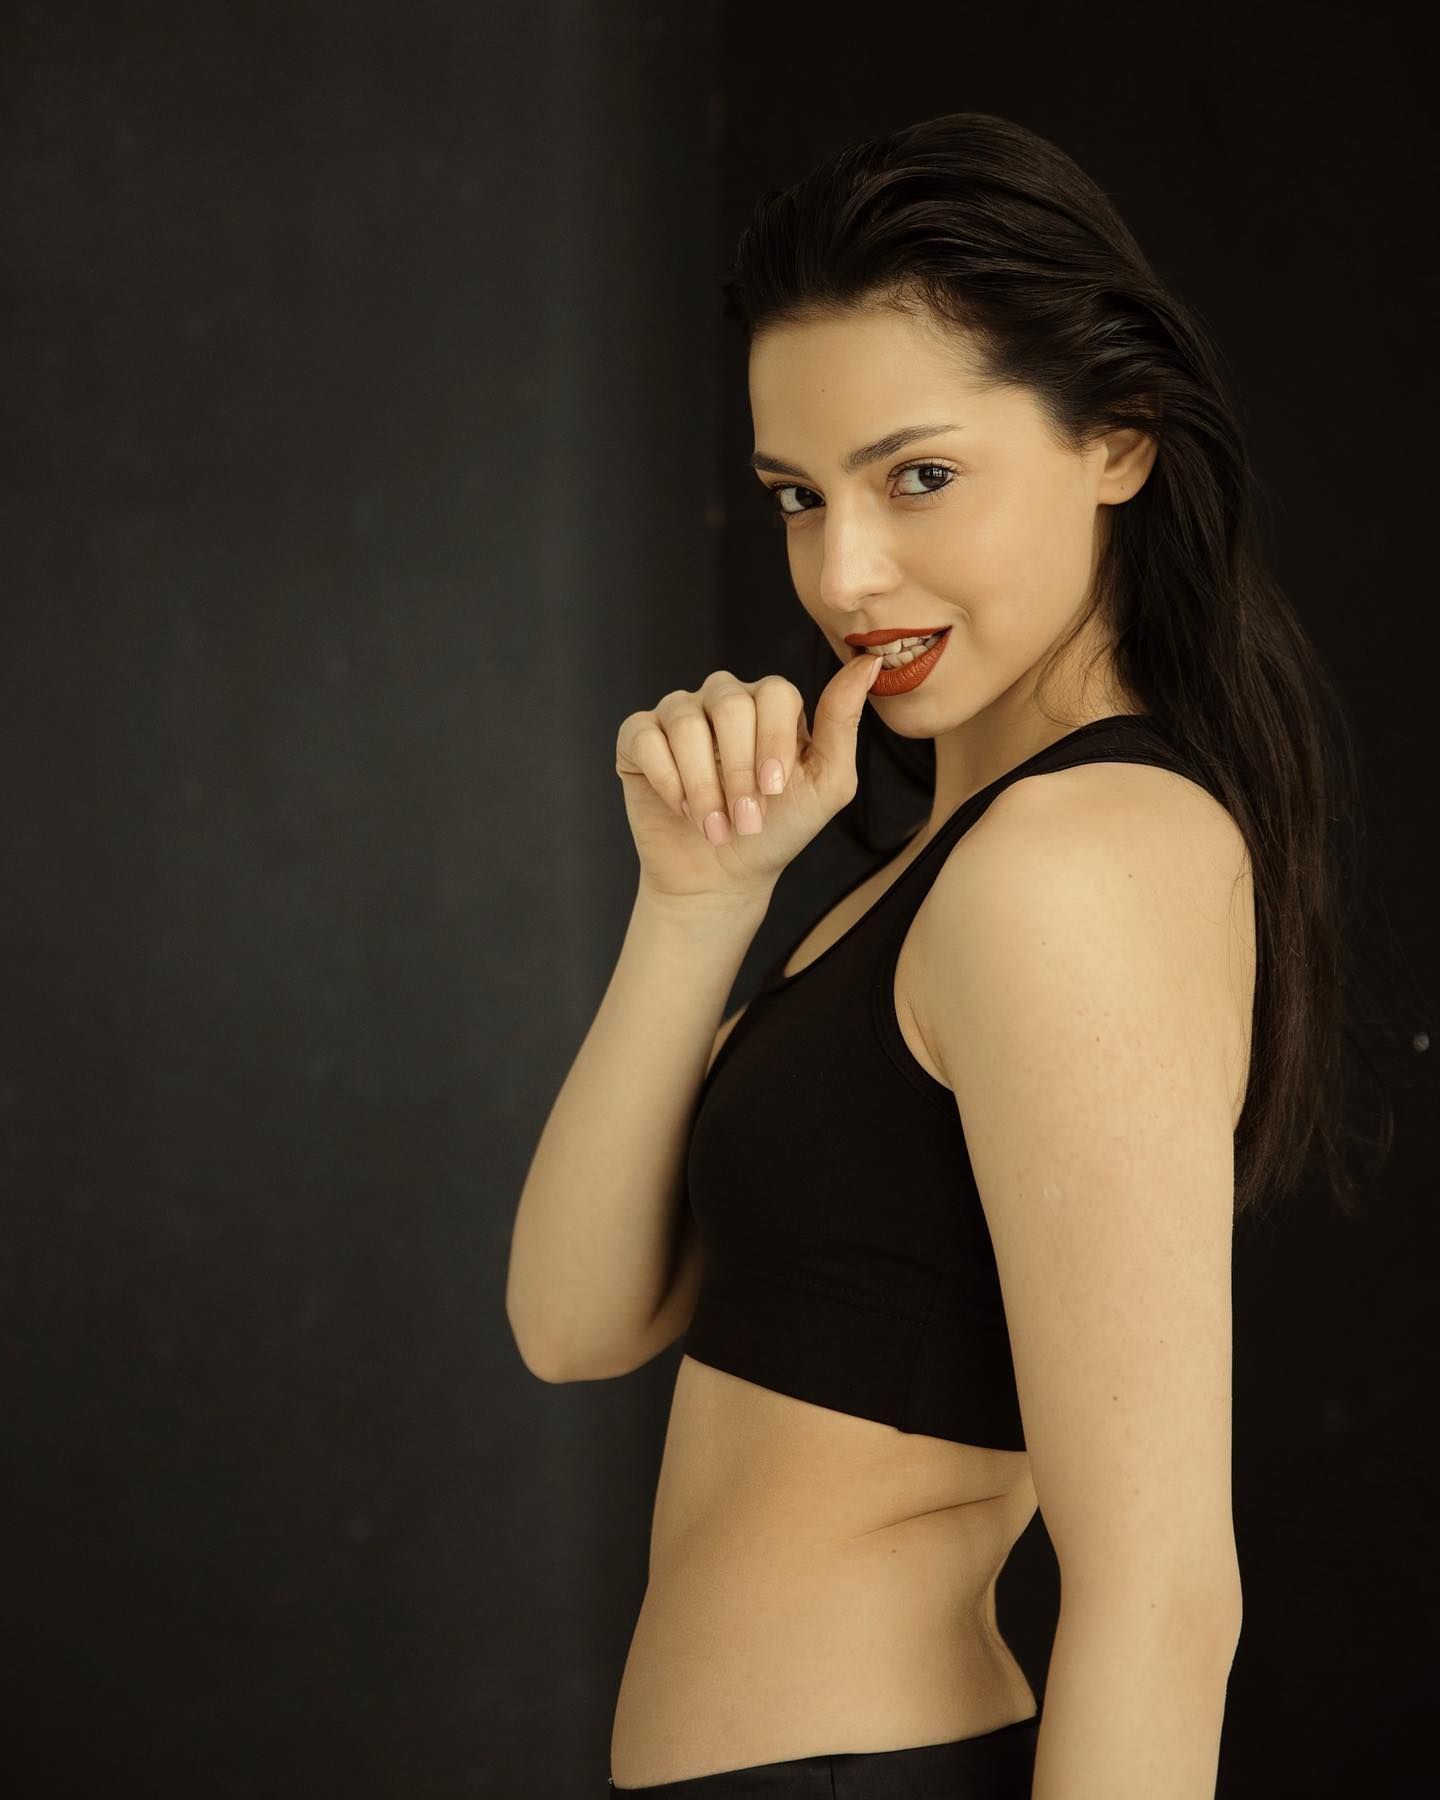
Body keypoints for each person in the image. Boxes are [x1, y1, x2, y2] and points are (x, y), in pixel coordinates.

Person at [507, 112, 1381, 1800]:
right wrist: (696, 904)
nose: (845, 573)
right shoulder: (944, 867)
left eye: (919, 477)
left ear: (1117, 441)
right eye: (798, 495)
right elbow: (575, 1320)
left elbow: (1161, 1594)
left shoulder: (1076, 863)